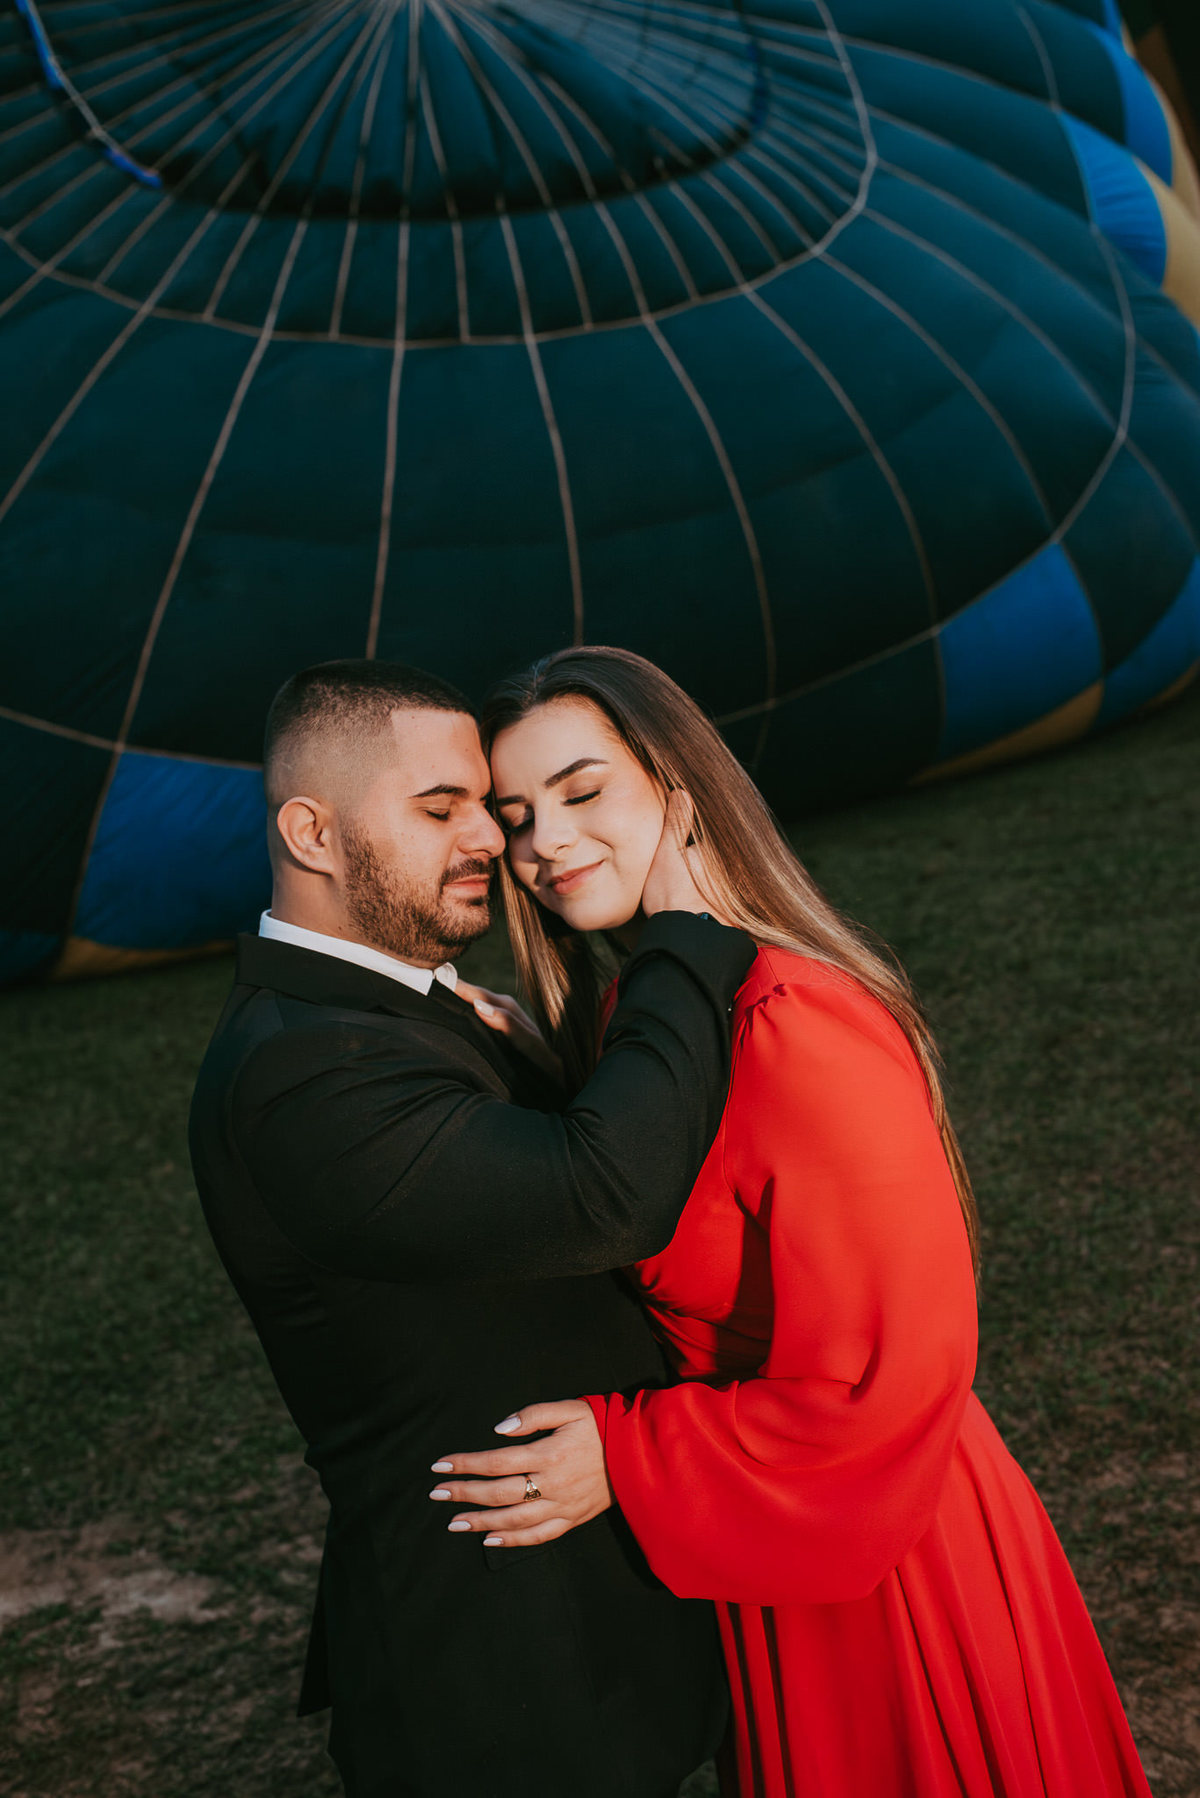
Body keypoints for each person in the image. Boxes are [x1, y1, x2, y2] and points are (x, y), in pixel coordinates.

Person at [429, 646, 1154, 1798]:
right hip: (767, 1545)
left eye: (580, 792)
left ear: (676, 791)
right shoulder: (635, 1014)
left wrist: (625, 1456)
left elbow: (889, 1375)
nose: (542, 843)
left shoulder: (800, 1024)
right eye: (516, 816)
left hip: (884, 1544)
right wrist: (553, 1080)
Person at [188, 658, 757, 1798]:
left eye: (482, 809)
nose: (494, 842)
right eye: (437, 808)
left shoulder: (405, 1007)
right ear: (313, 831)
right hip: (503, 1670)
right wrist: (684, 941)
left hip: (608, 1604)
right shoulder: (296, 1071)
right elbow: (602, 1196)